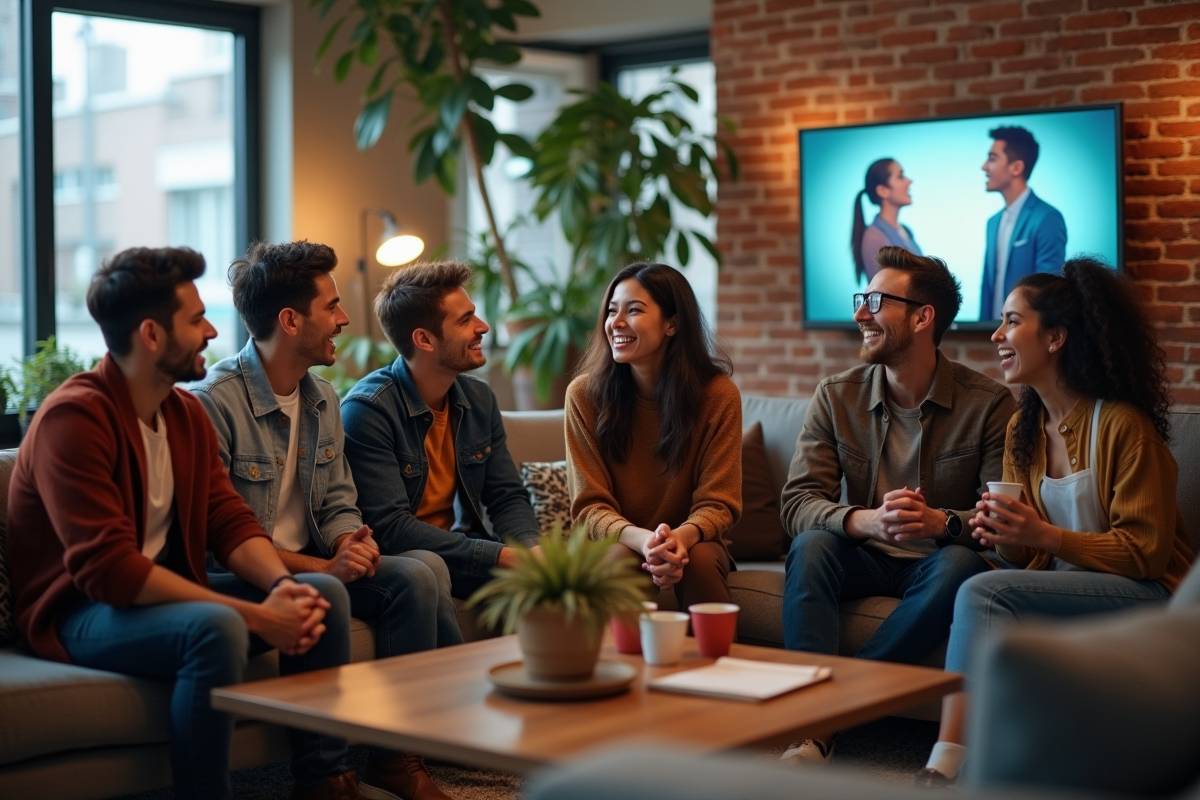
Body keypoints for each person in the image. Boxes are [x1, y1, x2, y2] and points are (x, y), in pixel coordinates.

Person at [7, 247, 360, 800]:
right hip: (80, 610)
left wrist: (284, 590)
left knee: (321, 595)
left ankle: (324, 781)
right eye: (196, 321)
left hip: (163, 594)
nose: (213, 331)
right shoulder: (73, 418)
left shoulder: (184, 414)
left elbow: (229, 522)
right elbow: (110, 573)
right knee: (213, 627)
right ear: (151, 335)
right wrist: (256, 615)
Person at [190, 241, 461, 800]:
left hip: (316, 560)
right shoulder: (212, 403)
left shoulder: (322, 399)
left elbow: (338, 501)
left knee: (413, 574)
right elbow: (218, 540)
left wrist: (349, 543)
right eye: (331, 307)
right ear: (290, 321)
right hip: (240, 573)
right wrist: (323, 565)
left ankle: (394, 756)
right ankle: (325, 774)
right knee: (325, 589)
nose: (343, 320)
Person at [917, 257, 1195, 787]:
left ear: (1056, 339)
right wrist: (1004, 532)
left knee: (983, 595)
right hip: (1073, 588)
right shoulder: (1026, 425)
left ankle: (943, 765)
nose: (997, 334)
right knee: (984, 584)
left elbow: (1147, 553)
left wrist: (1042, 534)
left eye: (1012, 321)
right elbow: (1027, 559)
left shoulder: (1121, 426)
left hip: (1152, 594)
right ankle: (1002, 763)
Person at [779, 246, 1016, 767]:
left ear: (922, 316)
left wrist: (942, 522)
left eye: (875, 300)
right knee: (812, 543)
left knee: (962, 566)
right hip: (861, 555)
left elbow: (1003, 523)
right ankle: (817, 723)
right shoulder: (835, 396)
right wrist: (864, 521)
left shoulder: (990, 405)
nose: (860, 313)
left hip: (936, 562)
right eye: (861, 298)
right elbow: (797, 503)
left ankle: (826, 717)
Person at [342, 261, 540, 599]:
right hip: (401, 560)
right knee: (431, 571)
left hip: (456, 550)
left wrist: (533, 552)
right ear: (424, 339)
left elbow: (506, 495)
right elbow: (390, 529)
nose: (483, 327)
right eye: (465, 320)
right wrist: (502, 556)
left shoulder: (478, 398)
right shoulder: (369, 409)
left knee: (556, 583)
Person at [565, 262, 742, 609]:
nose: (615, 323)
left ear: (672, 324)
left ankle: (717, 663)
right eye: (612, 311)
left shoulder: (718, 395)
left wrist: (678, 539)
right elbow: (589, 506)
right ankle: (610, 663)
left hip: (692, 539)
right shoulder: (583, 396)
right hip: (616, 539)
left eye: (634, 310)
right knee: (614, 559)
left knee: (701, 561)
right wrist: (646, 541)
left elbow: (718, 502)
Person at [978, 125, 1067, 320]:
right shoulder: (993, 223)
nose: (984, 166)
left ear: (1016, 167)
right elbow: (987, 287)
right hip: (994, 335)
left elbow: (1048, 290)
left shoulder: (1047, 218)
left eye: (992, 158)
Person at [852, 158, 923, 284]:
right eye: (900, 176)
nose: (909, 181)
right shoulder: (874, 237)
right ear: (883, 190)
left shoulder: (905, 231)